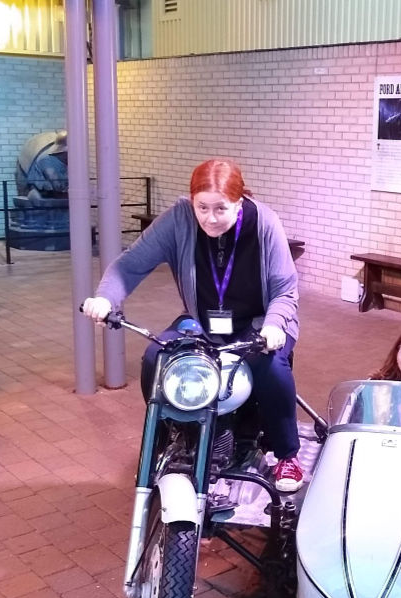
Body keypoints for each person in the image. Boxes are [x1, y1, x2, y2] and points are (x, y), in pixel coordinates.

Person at [82, 158, 304, 492]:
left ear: (239, 202)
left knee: (271, 370)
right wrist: (105, 298)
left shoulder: (264, 224)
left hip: (260, 323)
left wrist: (274, 326)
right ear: (191, 200)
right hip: (201, 321)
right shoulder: (178, 219)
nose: (210, 218)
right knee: (157, 357)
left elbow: (285, 290)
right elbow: (130, 264)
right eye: (202, 207)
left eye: (221, 209)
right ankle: (170, 435)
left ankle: (286, 453)